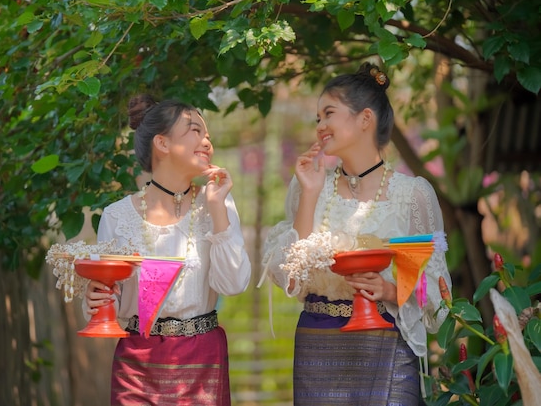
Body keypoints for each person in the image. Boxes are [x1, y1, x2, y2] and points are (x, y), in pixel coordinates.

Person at [261, 62, 452, 406]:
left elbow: (439, 297)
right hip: (318, 344)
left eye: (328, 113)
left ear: (365, 119)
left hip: (387, 346)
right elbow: (291, 273)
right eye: (317, 118)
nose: (320, 126)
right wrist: (308, 192)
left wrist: (392, 290)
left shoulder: (414, 195)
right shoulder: (307, 186)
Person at [84, 94, 251, 405]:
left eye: (208, 136)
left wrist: (216, 207)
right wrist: (95, 298)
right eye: (195, 131)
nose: (206, 142)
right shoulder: (116, 216)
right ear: (161, 143)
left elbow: (234, 283)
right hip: (137, 362)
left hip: (203, 357)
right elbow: (113, 306)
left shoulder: (217, 204)